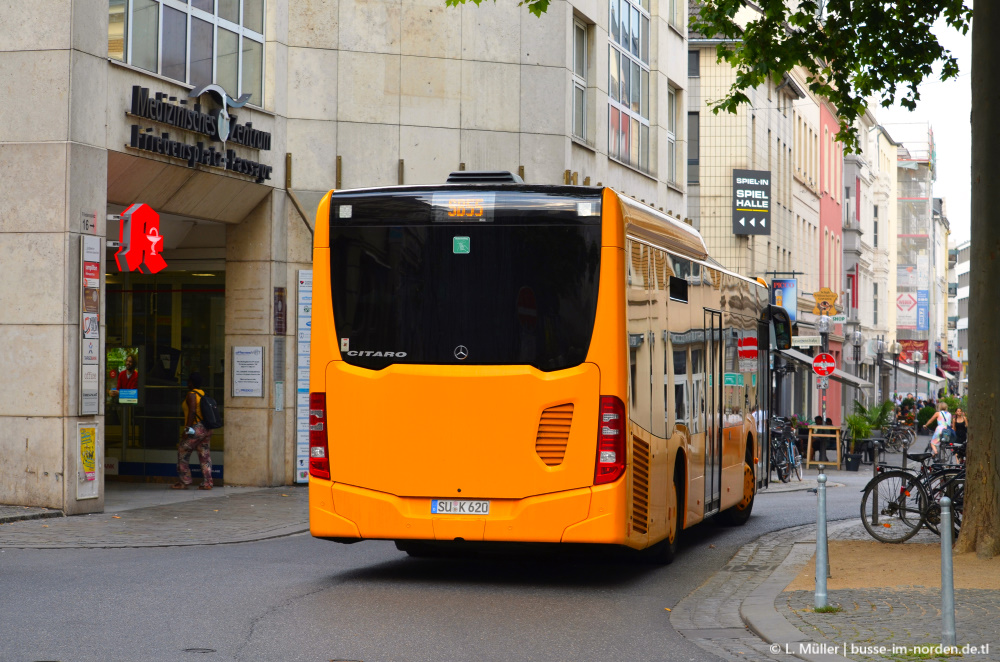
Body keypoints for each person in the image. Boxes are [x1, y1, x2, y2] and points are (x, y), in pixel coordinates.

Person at [173, 372, 213, 490]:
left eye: (188, 381)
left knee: (183, 450)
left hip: (196, 428)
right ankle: (208, 483)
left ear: (191, 383)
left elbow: (192, 412)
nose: (187, 383)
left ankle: (184, 481)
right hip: (207, 428)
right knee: (204, 455)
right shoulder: (203, 394)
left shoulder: (191, 394)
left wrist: (187, 429)